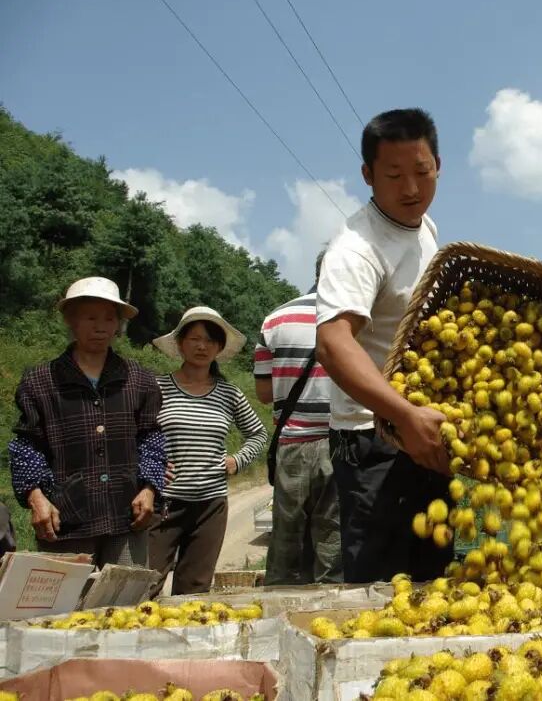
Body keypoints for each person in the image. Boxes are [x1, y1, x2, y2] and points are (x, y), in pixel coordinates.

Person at [316, 108, 452, 583]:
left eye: (422, 172)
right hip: (373, 441)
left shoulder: (425, 227)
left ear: (439, 165)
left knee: (431, 579)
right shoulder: (356, 249)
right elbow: (333, 344)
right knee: (379, 588)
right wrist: (401, 413)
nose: (411, 189)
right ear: (368, 175)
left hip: (421, 432)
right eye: (394, 175)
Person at [7, 277, 165, 568]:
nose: (100, 326)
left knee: (126, 606)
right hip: (67, 519)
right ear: (71, 320)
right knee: (68, 610)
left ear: (118, 324)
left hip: (126, 518)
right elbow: (27, 446)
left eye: (109, 318)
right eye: (90, 317)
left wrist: (149, 488)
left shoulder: (140, 379)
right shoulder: (41, 382)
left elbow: (151, 439)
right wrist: (36, 497)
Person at [149, 307, 268, 594]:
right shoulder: (157, 388)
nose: (202, 346)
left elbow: (258, 433)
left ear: (218, 348)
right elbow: (135, 435)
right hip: (163, 503)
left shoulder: (229, 393)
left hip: (210, 506)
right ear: (180, 343)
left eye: (210, 341)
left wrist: (237, 461)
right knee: (146, 583)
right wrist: (151, 466)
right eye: (194, 339)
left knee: (195, 589)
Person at [254, 252, 343, 585]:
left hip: (291, 444)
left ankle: (277, 612)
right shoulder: (355, 320)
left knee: (286, 541)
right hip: (338, 443)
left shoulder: (276, 319)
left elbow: (265, 393)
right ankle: (330, 614)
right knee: (332, 543)